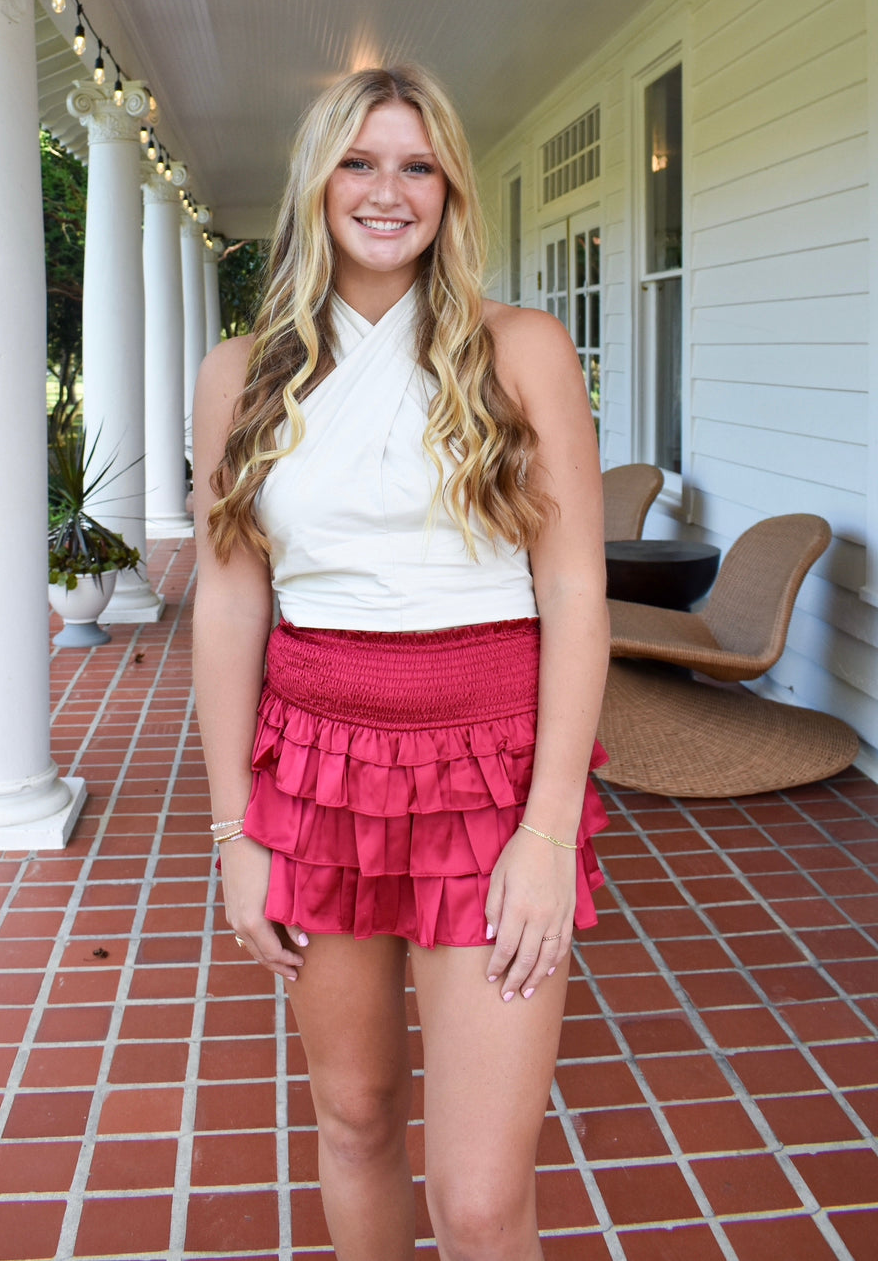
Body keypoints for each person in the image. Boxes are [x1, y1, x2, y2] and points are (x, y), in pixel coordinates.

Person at [192, 64, 610, 1261]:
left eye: (417, 165)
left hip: (488, 773)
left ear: (451, 190)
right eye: (360, 162)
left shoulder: (517, 347)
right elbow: (229, 603)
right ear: (316, 183)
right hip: (317, 774)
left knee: (479, 1198)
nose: (388, 191)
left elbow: (574, 591)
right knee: (357, 1113)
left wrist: (546, 825)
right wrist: (235, 830)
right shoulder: (241, 373)